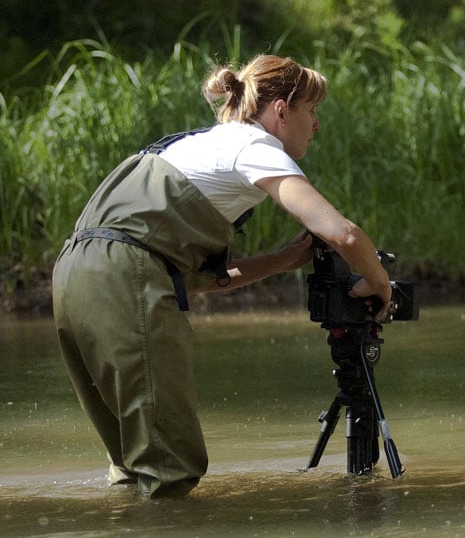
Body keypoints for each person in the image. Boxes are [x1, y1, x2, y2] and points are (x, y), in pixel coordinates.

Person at [51, 54, 392, 498]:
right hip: (123, 274)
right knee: (171, 466)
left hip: (76, 276)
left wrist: (279, 261)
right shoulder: (254, 146)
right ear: (281, 110)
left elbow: (187, 276)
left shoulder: (187, 146)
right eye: (312, 110)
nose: (317, 125)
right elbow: (341, 233)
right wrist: (379, 283)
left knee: (133, 461)